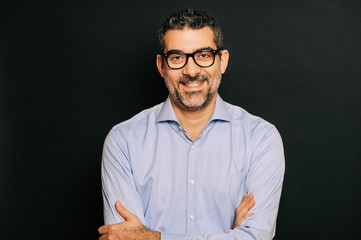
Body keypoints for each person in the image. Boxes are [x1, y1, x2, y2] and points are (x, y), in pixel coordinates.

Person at [98, 9, 285, 240]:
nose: (192, 70)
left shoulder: (261, 139)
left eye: (204, 55)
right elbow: (123, 238)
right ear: (161, 65)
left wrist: (154, 237)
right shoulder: (123, 141)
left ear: (222, 61)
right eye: (177, 57)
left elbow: (256, 238)